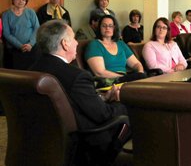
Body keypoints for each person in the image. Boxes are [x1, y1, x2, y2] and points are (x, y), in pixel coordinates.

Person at [30, 20, 128, 164]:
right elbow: (103, 115)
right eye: (74, 38)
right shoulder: (76, 76)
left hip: (40, 141)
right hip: (84, 143)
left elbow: (73, 102)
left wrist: (102, 98)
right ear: (65, 43)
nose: (77, 43)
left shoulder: (30, 71)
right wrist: (123, 103)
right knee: (128, 113)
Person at [85, 15, 146, 82]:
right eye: (104, 25)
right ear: (99, 28)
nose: (107, 28)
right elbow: (100, 73)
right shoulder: (94, 45)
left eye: (110, 26)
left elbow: (136, 64)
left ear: (114, 28)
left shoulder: (121, 44)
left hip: (124, 80)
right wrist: (124, 77)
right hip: (107, 81)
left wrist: (140, 72)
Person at [2, 0, 40, 70]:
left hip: (31, 48)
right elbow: (6, 33)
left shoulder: (31, 12)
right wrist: (20, 46)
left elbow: (37, 28)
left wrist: (30, 44)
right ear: (13, 0)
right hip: (14, 50)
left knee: (33, 71)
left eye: (24, 0)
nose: (21, 1)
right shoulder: (6, 14)